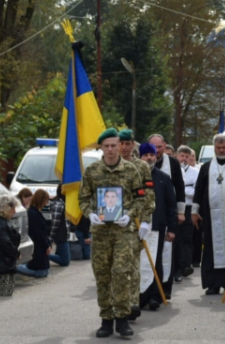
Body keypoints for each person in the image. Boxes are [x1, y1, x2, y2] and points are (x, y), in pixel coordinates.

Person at [79, 128, 149, 338]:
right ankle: (106, 320)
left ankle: (122, 319)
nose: (110, 149)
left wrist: (130, 214)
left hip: (123, 231)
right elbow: (83, 198)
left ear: (120, 146)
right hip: (100, 232)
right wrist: (90, 214)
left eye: (114, 145)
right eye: (106, 146)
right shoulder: (91, 171)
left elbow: (141, 198)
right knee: (102, 275)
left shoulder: (131, 170)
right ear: (101, 147)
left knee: (121, 273)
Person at [192, 134, 225, 295]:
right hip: (211, 216)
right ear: (214, 148)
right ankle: (213, 284)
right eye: (218, 148)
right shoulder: (206, 167)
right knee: (212, 249)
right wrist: (194, 212)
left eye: (224, 147)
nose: (221, 150)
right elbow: (198, 190)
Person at [118, 129, 156, 321]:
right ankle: (118, 305)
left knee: (132, 265)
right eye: (121, 143)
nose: (124, 147)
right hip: (112, 224)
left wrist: (147, 221)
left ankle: (133, 303)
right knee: (116, 268)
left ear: (133, 145)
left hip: (134, 223)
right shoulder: (107, 165)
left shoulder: (142, 166)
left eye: (128, 144)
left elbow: (148, 196)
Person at [139, 143, 178, 311]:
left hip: (157, 226)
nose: (149, 158)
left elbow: (171, 204)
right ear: (140, 157)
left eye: (151, 155)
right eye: (145, 155)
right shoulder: (134, 176)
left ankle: (155, 296)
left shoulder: (163, 177)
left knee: (156, 262)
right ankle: (140, 296)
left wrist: (172, 228)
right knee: (140, 262)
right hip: (138, 226)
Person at [148, 133, 185, 298]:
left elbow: (180, 187)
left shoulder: (173, 163)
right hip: (148, 218)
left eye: (159, 147)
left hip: (167, 213)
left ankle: (165, 289)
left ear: (165, 146)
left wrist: (181, 211)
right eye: (152, 147)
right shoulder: (142, 163)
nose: (156, 151)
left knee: (167, 252)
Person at [175, 145, 199, 281]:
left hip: (188, 208)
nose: (183, 159)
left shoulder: (195, 172)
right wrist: (185, 190)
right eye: (181, 156)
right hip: (175, 208)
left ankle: (186, 265)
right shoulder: (172, 169)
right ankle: (176, 268)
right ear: (176, 155)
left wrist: (183, 191)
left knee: (187, 237)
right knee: (175, 238)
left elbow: (195, 192)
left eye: (186, 156)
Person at [17, 189, 51, 278]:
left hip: (41, 247)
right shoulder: (32, 213)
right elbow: (38, 233)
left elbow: (43, 232)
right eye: (45, 200)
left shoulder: (36, 212)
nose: (46, 203)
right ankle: (15, 268)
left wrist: (48, 245)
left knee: (45, 271)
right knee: (41, 272)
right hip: (38, 247)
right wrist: (46, 246)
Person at [48, 184, 70, 267]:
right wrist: (51, 238)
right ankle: (42, 256)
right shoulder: (59, 204)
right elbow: (55, 223)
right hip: (60, 235)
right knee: (65, 261)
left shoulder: (65, 202)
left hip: (64, 235)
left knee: (62, 256)